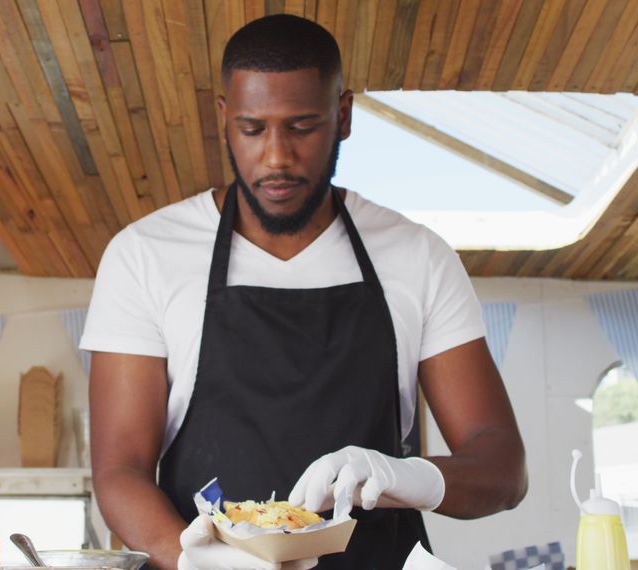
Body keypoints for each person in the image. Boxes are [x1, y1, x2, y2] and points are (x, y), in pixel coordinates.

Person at [81, 14, 527, 570]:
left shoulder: (418, 257)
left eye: (302, 126)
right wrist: (194, 561)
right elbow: (120, 470)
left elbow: (503, 468)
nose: (276, 157)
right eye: (251, 129)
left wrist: (409, 476)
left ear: (342, 116)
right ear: (223, 118)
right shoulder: (145, 254)